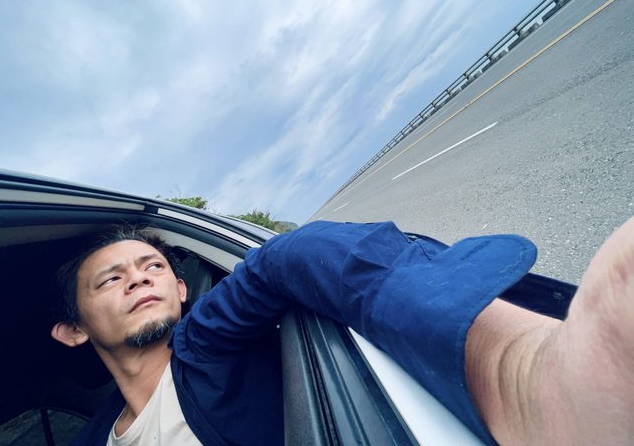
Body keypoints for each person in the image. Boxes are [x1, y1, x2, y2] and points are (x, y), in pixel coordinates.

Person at [50, 217, 634, 446]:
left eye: (153, 267)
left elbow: (288, 255)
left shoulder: (206, 344)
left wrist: (513, 367)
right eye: (111, 279)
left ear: (182, 290)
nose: (139, 278)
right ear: (73, 330)